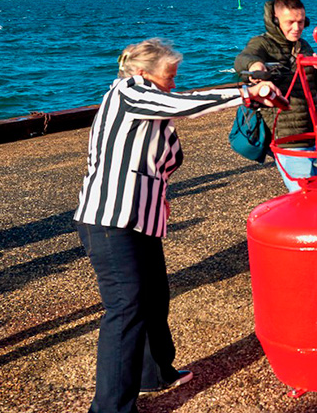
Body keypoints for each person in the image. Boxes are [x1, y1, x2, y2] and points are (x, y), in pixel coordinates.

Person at [74, 38, 282, 413]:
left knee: (154, 296)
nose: (173, 83)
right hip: (109, 219)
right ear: (142, 73)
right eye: (168, 76)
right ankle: (109, 408)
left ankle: (153, 374)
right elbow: (181, 104)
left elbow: (168, 137)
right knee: (125, 308)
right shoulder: (128, 92)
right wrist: (245, 93)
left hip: (142, 218)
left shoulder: (153, 107)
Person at [234, 0, 317, 191]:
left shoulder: (304, 46)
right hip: (287, 138)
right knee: (304, 194)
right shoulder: (262, 44)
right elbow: (244, 58)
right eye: (290, 22)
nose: (297, 28)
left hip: (313, 134)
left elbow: (316, 84)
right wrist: (255, 66)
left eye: (301, 22)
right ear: (276, 20)